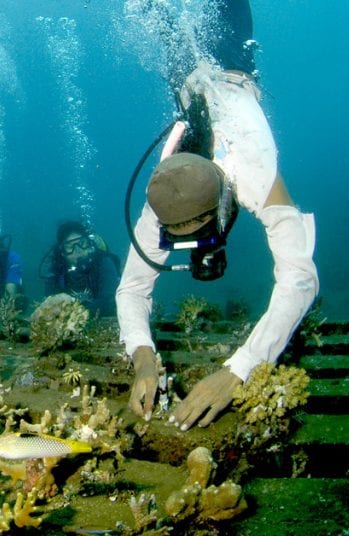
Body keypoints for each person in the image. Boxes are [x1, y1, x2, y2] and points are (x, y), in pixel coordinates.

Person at [117, 0, 319, 430]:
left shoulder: (254, 175)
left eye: (203, 234)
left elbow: (301, 280)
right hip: (191, 84)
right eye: (179, 241)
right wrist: (143, 359)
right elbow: (132, 288)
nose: (193, 250)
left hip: (232, 66)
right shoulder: (165, 197)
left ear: (225, 204)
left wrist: (237, 371)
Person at [42, 220, 121, 317]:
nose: (78, 250)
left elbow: (109, 299)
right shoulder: (56, 273)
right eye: (70, 246)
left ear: (89, 244)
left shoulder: (103, 262)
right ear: (62, 252)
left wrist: (79, 314)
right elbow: (50, 304)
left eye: (82, 243)